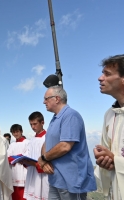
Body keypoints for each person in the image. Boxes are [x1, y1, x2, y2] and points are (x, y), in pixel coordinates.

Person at [38, 86, 96, 200]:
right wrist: (44, 162)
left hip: (71, 181)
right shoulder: (55, 118)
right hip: (56, 179)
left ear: (57, 99)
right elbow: (46, 143)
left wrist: (44, 158)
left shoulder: (70, 116)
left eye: (46, 98)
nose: (43, 101)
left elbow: (65, 146)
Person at [93, 54, 124, 199]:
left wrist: (115, 161)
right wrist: (104, 160)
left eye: (107, 74)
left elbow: (114, 159)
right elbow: (107, 156)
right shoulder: (109, 115)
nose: (100, 78)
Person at [22, 111, 49, 200]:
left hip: (43, 174)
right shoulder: (32, 139)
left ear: (42, 122)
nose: (33, 127)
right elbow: (28, 153)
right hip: (32, 173)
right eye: (31, 124)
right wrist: (23, 159)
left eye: (35, 124)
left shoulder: (48, 137)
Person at [7, 124, 30, 200]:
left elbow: (28, 155)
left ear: (21, 131)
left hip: (23, 171)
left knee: (24, 194)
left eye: (17, 131)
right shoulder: (12, 145)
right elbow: (7, 156)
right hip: (14, 172)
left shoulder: (27, 142)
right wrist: (17, 157)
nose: (15, 134)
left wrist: (17, 157)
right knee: (15, 195)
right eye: (13, 132)